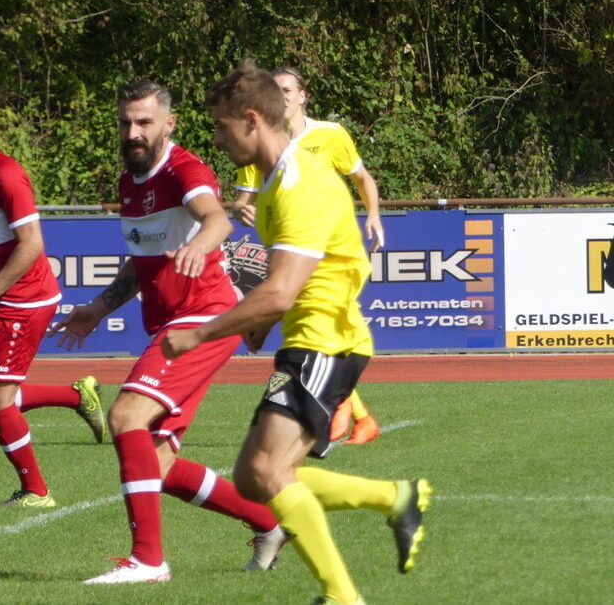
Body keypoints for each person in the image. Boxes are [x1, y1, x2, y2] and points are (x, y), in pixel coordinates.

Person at [162, 62, 431, 605]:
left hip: (326, 339)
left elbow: (282, 291)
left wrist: (200, 335)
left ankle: (341, 595)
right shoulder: (275, 178)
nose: (217, 138)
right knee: (254, 476)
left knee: (265, 471)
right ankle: (394, 498)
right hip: (313, 338)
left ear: (253, 119)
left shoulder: (299, 183)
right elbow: (284, 281)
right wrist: (259, 320)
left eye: (221, 126)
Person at [51, 79, 285, 584]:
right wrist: (99, 306)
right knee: (154, 462)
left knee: (125, 415)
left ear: (168, 124)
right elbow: (142, 263)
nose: (133, 132)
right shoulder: (129, 183)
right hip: (174, 323)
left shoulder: (185, 169)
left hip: (205, 317)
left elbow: (216, 220)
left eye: (144, 122)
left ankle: (148, 561)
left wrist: (203, 244)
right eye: (126, 122)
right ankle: (270, 524)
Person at [0, 88, 106, 508]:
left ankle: (37, 491)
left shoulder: (4, 173)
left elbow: (31, 244)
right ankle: (75, 394)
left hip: (25, 297)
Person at [233, 67, 381, 445]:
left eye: (287, 89)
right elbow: (244, 198)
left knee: (322, 329)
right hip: (292, 244)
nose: (281, 96)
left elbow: (362, 178)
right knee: (319, 333)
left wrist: (374, 217)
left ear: (302, 95)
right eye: (275, 90)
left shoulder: (330, 135)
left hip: (329, 249)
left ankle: (346, 409)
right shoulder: (261, 144)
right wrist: (241, 209)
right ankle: (353, 412)